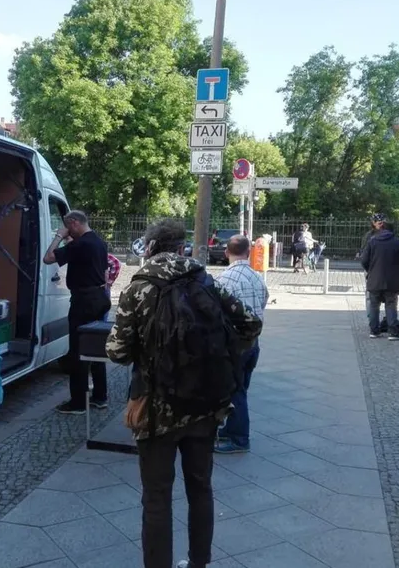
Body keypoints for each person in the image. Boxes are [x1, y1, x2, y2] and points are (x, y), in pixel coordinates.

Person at [106, 219, 262, 568]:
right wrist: (220, 354)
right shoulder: (206, 281)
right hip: (205, 407)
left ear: (150, 248)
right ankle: (198, 563)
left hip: (156, 411)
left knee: (157, 497)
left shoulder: (140, 288)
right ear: (182, 248)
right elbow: (251, 323)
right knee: (200, 487)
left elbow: (116, 351)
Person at [43, 210, 111, 413]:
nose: (67, 233)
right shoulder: (98, 241)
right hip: (100, 297)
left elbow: (48, 258)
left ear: (73, 223)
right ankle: (100, 396)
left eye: (67, 228)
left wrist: (58, 237)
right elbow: (105, 272)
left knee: (78, 351)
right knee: (97, 347)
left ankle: (78, 403)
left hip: (84, 301)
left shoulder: (81, 244)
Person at [215, 235, 269, 454]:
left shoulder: (224, 279)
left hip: (233, 343)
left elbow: (217, 311)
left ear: (226, 252)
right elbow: (265, 298)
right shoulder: (257, 277)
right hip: (253, 342)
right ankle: (231, 429)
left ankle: (239, 438)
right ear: (248, 253)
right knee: (241, 388)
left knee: (234, 390)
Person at [361, 221, 399, 341]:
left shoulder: (372, 241)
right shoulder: (398, 243)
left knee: (374, 305)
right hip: (392, 281)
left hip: (374, 280)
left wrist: (371, 271)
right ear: (392, 231)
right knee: (391, 305)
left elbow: (364, 260)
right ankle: (393, 332)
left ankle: (374, 331)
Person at [103, 253, 121, 322]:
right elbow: (116, 263)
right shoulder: (98, 248)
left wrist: (108, 282)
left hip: (101, 287)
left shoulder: (96, 249)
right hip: (102, 286)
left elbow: (116, 264)